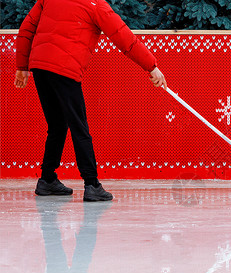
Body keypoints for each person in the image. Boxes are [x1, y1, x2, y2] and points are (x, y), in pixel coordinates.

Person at [14, 0, 166, 201]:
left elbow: (26, 29)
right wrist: (151, 66)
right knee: (79, 127)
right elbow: (124, 37)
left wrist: (22, 67)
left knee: (58, 125)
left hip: (40, 67)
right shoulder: (96, 5)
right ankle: (92, 184)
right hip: (64, 69)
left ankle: (47, 179)